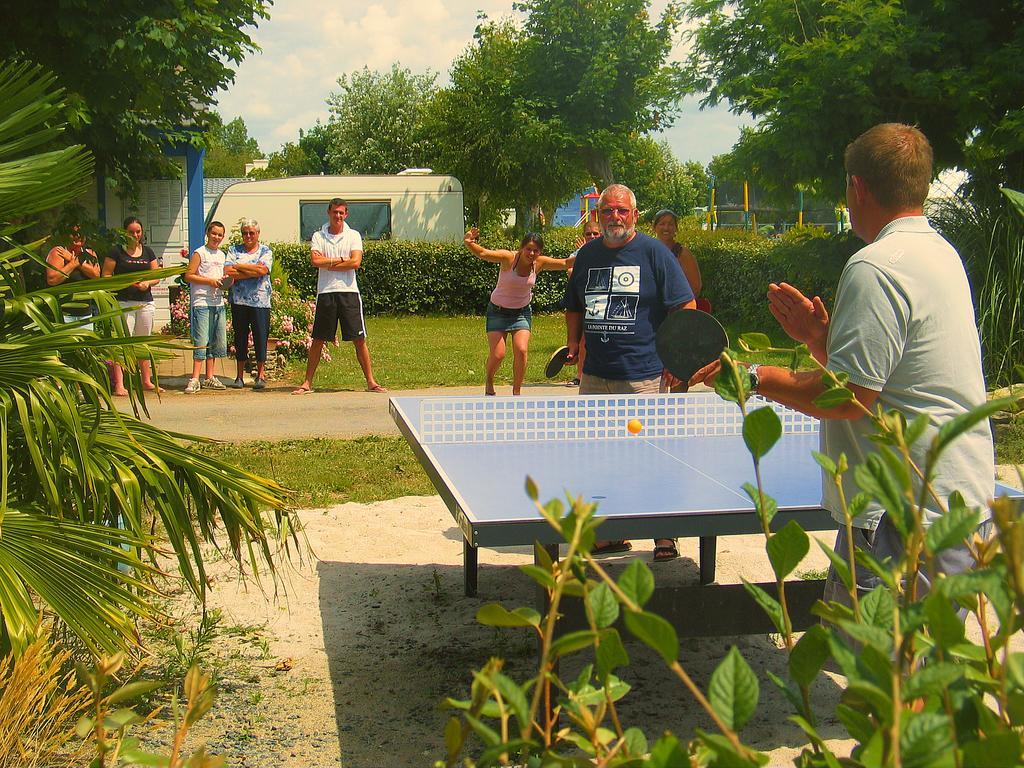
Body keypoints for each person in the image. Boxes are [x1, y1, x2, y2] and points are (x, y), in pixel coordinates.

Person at [690, 123, 994, 605]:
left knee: (878, 671)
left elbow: (852, 398)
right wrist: (820, 339)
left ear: (857, 187)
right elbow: (894, 377)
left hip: (902, 515)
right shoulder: (941, 253)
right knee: (934, 673)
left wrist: (754, 377)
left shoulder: (875, 265)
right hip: (955, 502)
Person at [565, 184, 696, 561]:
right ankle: (609, 533)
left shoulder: (654, 253)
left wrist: (676, 356)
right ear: (598, 216)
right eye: (608, 211)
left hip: (643, 376)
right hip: (595, 375)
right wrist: (573, 344)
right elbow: (574, 305)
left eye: (622, 211)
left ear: (634, 215)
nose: (615, 218)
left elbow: (684, 305)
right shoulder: (587, 255)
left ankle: (663, 535)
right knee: (596, 456)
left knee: (652, 456)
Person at [292, 198, 386, 395]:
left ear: (346, 214)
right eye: (335, 212)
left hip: (349, 292)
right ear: (329, 212)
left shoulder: (353, 235)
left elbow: (356, 263)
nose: (338, 216)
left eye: (341, 213)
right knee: (318, 339)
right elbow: (315, 260)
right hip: (326, 292)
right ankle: (307, 383)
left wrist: (330, 262)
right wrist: (340, 260)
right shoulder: (319, 235)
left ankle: (371, 381)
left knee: (359, 340)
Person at [464, 227, 571, 396]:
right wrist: (469, 242)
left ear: (540, 252)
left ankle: (517, 393)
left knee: (521, 350)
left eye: (536, 250)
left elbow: (565, 263)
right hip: (497, 311)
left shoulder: (539, 263)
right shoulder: (508, 258)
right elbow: (484, 253)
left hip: (521, 313)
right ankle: (489, 380)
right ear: (521, 248)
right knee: (498, 354)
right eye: (528, 249)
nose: (531, 253)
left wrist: (589, 250)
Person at [101, 216, 161, 395]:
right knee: (123, 343)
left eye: (138, 231)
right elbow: (106, 276)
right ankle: (120, 384)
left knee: (143, 342)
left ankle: (146, 380)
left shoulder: (148, 252)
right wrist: (123, 284)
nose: (135, 235)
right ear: (125, 233)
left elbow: (157, 275)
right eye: (131, 232)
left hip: (145, 302)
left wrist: (147, 283)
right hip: (123, 302)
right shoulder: (116, 252)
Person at [225, 219, 273, 389]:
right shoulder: (233, 249)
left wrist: (239, 267)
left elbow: (263, 270)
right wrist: (252, 271)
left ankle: (261, 375)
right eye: (245, 233)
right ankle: (239, 376)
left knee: (261, 336)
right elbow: (228, 271)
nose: (248, 236)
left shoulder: (266, 251)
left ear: (258, 234)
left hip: (261, 301)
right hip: (239, 301)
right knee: (240, 337)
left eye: (251, 233)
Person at [182, 221, 230, 394]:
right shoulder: (199, 253)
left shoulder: (222, 255)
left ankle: (209, 377)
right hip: (201, 302)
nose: (216, 237)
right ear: (207, 234)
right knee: (201, 342)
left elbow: (225, 276)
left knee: (214, 341)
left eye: (220, 235)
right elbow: (189, 275)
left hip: (218, 302)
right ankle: (195, 378)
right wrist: (209, 281)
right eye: (214, 233)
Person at [564, 220, 603, 386]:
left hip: (600, 302)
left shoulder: (607, 250)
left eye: (595, 233)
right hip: (582, 304)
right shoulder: (578, 255)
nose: (592, 236)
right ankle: (580, 376)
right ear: (583, 236)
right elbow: (570, 273)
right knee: (582, 342)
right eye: (588, 234)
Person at [46, 225, 100, 327]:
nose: (78, 236)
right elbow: (52, 279)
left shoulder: (90, 254)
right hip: (63, 314)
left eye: (81, 234)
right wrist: (72, 264)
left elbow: (96, 275)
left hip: (85, 315)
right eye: (74, 234)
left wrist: (75, 260)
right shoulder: (59, 252)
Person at [652, 209, 702, 298]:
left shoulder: (683, 254)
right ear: (654, 228)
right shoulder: (650, 252)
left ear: (676, 228)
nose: (666, 228)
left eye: (670, 224)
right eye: (662, 224)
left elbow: (695, 287)